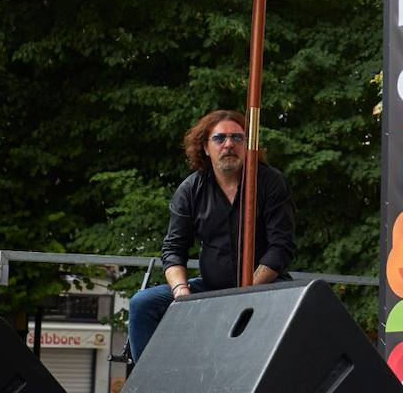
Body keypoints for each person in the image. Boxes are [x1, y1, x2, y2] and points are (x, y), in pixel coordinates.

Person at [126, 109, 296, 362]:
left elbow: (280, 247)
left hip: (266, 288)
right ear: (205, 147)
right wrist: (181, 292)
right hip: (210, 289)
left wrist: (246, 290)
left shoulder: (269, 182)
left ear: (248, 145)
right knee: (143, 303)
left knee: (303, 311)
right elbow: (173, 249)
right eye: (220, 138)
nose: (229, 144)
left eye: (237, 138)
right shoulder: (191, 189)